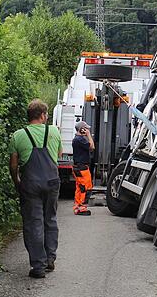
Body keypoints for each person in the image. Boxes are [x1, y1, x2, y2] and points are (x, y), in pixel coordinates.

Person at [9, 99, 62, 278]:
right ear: (42, 115)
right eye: (46, 115)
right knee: (50, 219)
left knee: (33, 223)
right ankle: (50, 259)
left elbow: (14, 165)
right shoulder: (54, 131)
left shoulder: (18, 135)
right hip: (52, 182)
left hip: (30, 184)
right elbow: (59, 154)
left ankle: (38, 266)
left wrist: (17, 181)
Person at [71, 120, 95, 216]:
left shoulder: (76, 139)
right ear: (81, 129)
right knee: (86, 187)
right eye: (86, 129)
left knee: (79, 187)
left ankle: (77, 206)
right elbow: (92, 147)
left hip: (77, 167)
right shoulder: (80, 140)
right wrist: (89, 135)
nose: (87, 130)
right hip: (82, 168)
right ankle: (82, 207)